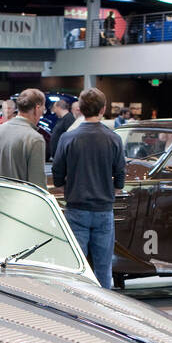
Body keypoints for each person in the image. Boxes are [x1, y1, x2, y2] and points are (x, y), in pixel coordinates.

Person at [52, 88, 125, 289]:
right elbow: (120, 178)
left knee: (76, 269)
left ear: (80, 110)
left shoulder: (67, 138)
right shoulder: (113, 139)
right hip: (104, 210)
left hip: (76, 209)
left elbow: (57, 176)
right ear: (103, 109)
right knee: (103, 269)